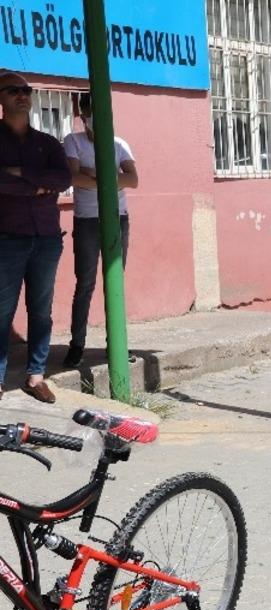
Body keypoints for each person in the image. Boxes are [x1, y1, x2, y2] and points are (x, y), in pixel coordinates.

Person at [0, 71, 71, 403]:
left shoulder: (48, 143)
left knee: (40, 310)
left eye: (26, 90)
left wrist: (21, 175)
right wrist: (37, 184)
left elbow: (63, 179)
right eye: (13, 90)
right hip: (7, 238)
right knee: (2, 310)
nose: (22, 95)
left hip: (46, 238)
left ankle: (35, 375)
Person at [62, 92, 138, 369]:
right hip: (87, 220)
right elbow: (72, 177)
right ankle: (77, 345)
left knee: (114, 282)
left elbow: (133, 180)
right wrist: (110, 179)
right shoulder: (73, 141)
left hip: (118, 218)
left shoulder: (119, 144)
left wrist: (92, 174)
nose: (96, 116)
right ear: (83, 115)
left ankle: (116, 345)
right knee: (85, 284)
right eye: (90, 111)